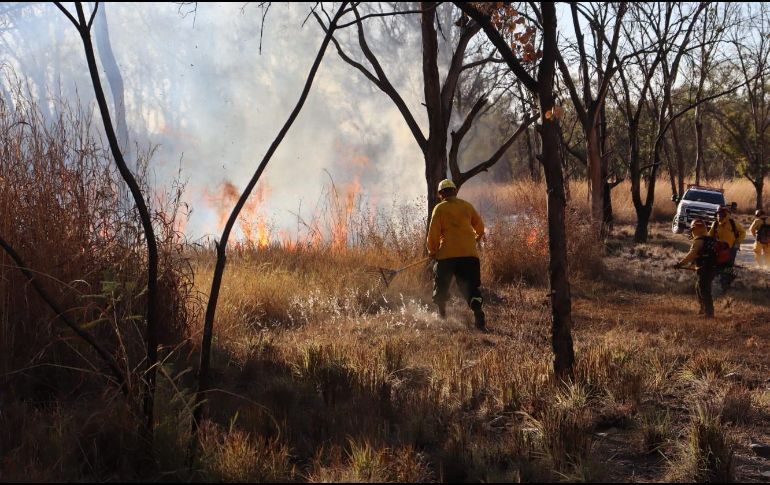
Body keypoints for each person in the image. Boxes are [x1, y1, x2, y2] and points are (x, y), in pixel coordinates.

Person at [426, 179, 487, 331]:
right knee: (471, 287)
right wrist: (475, 239)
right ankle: (478, 313)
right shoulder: (467, 206)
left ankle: (442, 316)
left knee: (441, 285)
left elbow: (433, 234)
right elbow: (480, 227)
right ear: (455, 191)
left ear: (441, 194)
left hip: (446, 256)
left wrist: (432, 252)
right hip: (469, 255)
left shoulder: (439, 209)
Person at [674, 219, 717, 318]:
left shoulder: (698, 241)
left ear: (696, 230)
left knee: (704, 290)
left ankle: (709, 313)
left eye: (693, 229)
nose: (692, 232)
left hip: (704, 269)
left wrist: (680, 264)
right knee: (699, 288)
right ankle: (703, 309)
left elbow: (691, 255)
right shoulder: (710, 240)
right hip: (711, 268)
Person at [708, 206, 746, 290]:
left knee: (728, 266)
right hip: (718, 249)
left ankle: (725, 284)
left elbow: (743, 232)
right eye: (718, 214)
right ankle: (718, 282)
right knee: (717, 266)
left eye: (721, 214)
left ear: (726, 214)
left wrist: (737, 242)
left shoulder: (733, 223)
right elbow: (709, 236)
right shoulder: (715, 224)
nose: (719, 216)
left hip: (731, 248)